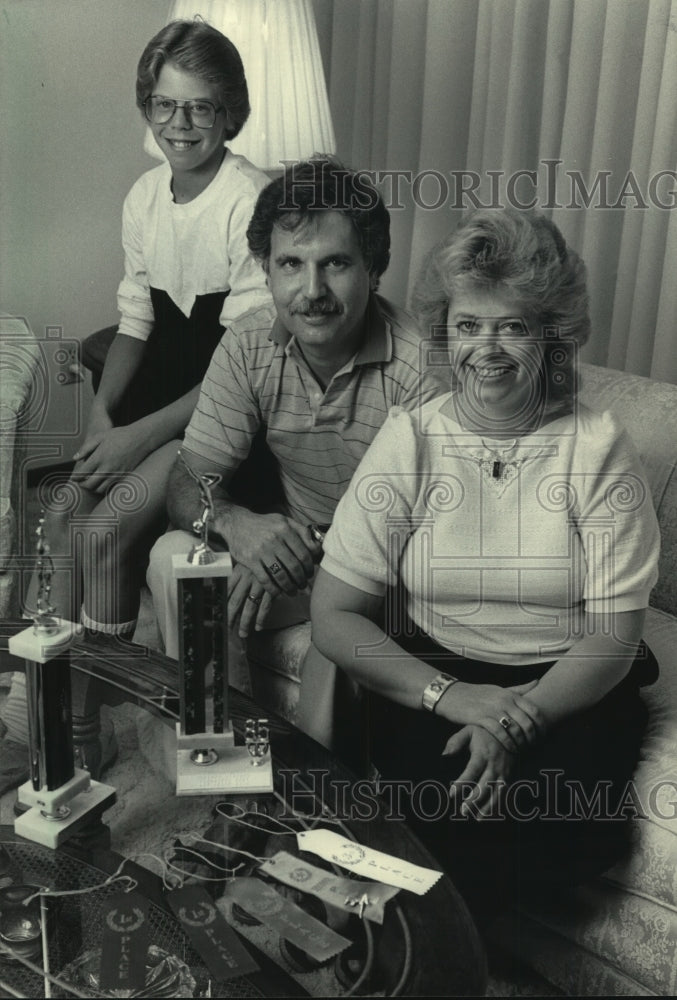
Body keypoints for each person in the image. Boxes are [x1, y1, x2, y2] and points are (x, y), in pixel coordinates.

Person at [310, 208, 660, 922]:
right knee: (434, 807)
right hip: (435, 673)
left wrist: (512, 719)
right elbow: (332, 613)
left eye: (512, 326)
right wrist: (452, 698)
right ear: (444, 333)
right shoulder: (411, 438)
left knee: (548, 823)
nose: (486, 349)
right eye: (468, 325)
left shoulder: (596, 448)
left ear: (551, 336)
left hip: (568, 681)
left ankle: (425, 944)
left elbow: (613, 638)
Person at [0, 19, 271, 794]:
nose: (180, 125)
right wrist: (101, 418)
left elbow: (235, 364)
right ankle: (41, 719)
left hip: (214, 416)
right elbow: (135, 320)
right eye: (164, 106)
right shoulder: (145, 194)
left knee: (106, 529)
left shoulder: (246, 198)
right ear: (146, 110)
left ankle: (82, 735)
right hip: (152, 405)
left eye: (199, 107)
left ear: (230, 112)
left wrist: (136, 440)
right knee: (59, 517)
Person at [146, 158, 444, 719]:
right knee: (173, 557)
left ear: (373, 268)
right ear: (266, 269)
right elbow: (188, 481)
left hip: (388, 575)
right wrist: (239, 527)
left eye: (335, 263)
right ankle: (223, 756)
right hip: (303, 558)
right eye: (291, 264)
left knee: (341, 624)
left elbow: (425, 524)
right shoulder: (248, 343)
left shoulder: (420, 365)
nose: (312, 290)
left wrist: (298, 549)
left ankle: (320, 799)